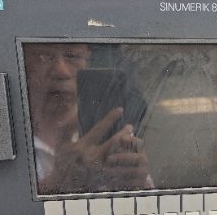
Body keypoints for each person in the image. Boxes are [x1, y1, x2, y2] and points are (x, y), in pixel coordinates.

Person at [24, 43, 152, 194]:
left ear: (87, 61)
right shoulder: (12, 132)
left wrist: (137, 181)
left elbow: (150, 204)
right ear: (25, 64)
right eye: (44, 57)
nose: (61, 71)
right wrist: (59, 181)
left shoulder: (109, 127)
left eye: (72, 56)